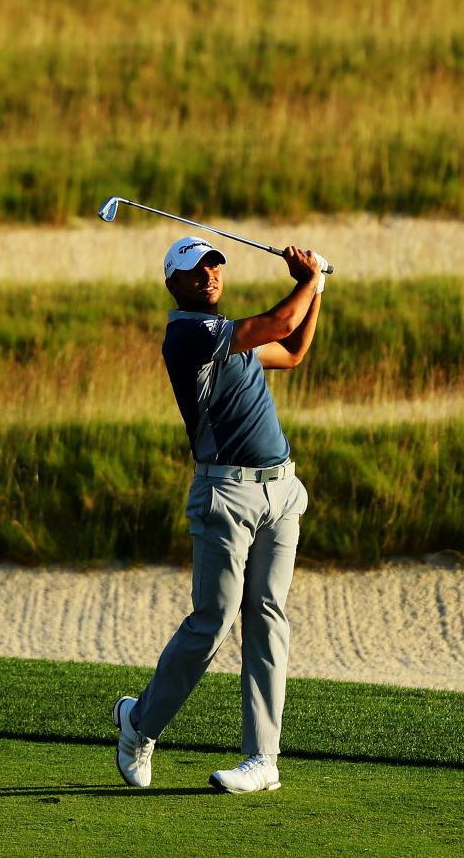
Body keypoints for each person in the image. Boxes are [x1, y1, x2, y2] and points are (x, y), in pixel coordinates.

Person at [112, 234, 326, 794]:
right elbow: (277, 325)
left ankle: (263, 760)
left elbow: (295, 350)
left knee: (268, 620)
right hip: (226, 496)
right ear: (173, 284)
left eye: (214, 265)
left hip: (280, 491)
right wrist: (306, 280)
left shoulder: (230, 339)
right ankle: (140, 724)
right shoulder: (190, 334)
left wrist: (317, 284)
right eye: (194, 269)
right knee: (212, 623)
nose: (208, 274)